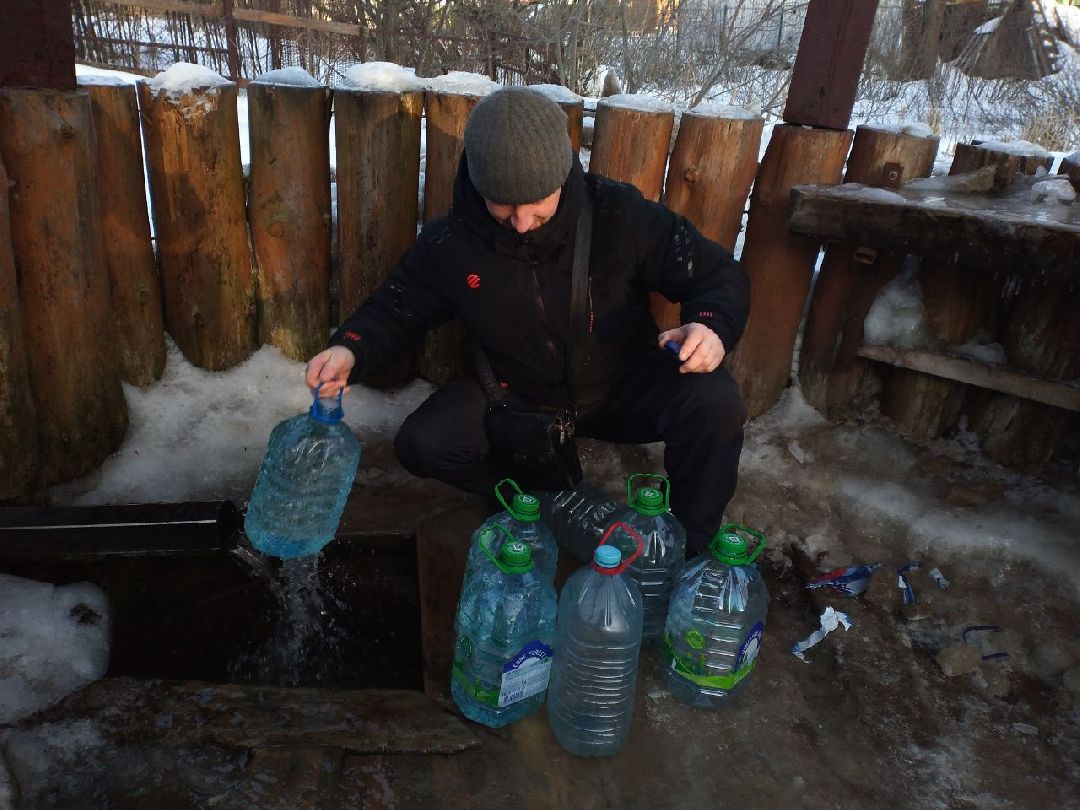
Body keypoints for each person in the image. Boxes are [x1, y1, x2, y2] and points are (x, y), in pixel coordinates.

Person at [306, 87, 749, 555]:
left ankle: (691, 553)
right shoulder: (452, 242)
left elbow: (718, 274)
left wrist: (710, 326)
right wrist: (350, 348)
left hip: (619, 385)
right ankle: (540, 501)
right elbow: (396, 308)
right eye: (501, 204)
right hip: (516, 397)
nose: (519, 221)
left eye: (535, 202)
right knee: (424, 443)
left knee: (715, 402)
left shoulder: (621, 215)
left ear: (561, 175)